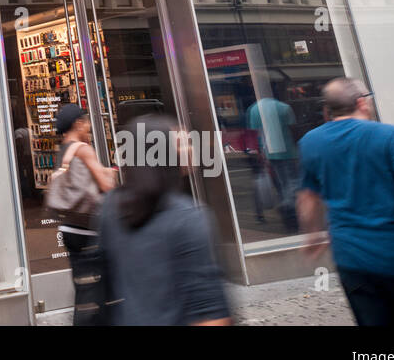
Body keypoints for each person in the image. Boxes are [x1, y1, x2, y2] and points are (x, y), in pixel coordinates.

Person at [296, 77, 394, 327]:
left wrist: (312, 234)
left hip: (353, 260)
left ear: (328, 110)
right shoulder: (391, 136)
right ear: (362, 102)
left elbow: (308, 197)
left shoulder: (310, 142)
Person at [99, 114, 231, 326]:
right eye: (183, 143)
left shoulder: (110, 207)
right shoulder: (188, 217)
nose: (191, 148)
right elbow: (210, 312)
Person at [50, 103, 117, 326]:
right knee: (101, 288)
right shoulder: (83, 149)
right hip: (89, 228)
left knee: (83, 287)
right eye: (86, 122)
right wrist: (112, 173)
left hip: (68, 228)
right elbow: (106, 186)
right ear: (78, 124)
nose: (88, 127)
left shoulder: (63, 151)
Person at [246, 91, 299, 231]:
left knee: (281, 183)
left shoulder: (254, 109)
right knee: (292, 182)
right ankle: (288, 207)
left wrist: (261, 152)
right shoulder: (283, 107)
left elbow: (257, 133)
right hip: (287, 150)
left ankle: (287, 211)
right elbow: (293, 129)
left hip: (269, 152)